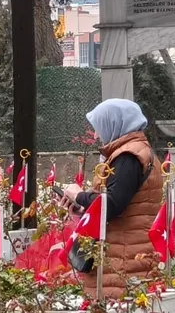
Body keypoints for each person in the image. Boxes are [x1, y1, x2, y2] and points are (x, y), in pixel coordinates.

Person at [62, 98, 163, 300]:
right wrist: (82, 209)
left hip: (123, 259)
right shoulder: (136, 151)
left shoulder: (128, 156)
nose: (98, 135)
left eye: (100, 127)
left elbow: (113, 204)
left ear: (115, 123)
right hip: (128, 253)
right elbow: (126, 203)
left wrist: (79, 195)